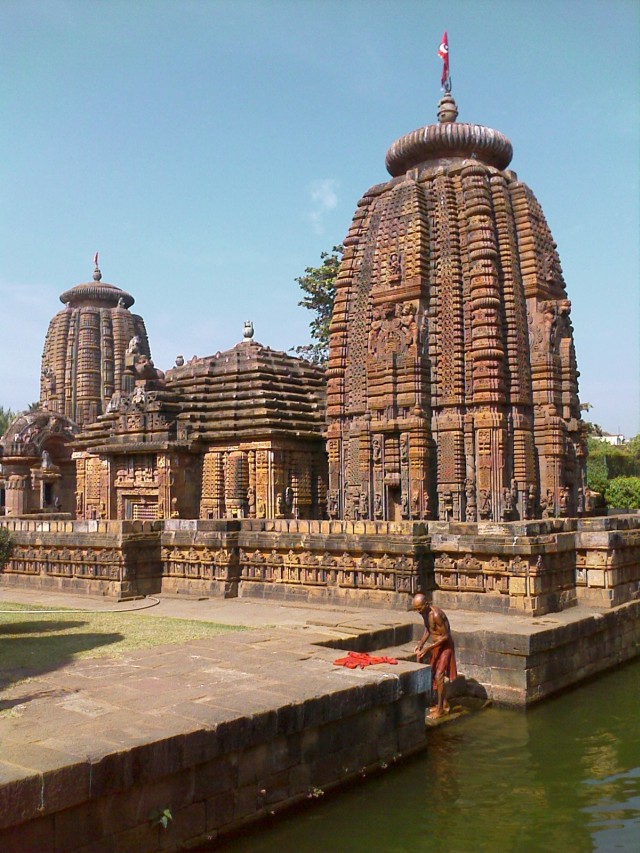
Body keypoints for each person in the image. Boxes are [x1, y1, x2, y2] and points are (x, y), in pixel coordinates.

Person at [411, 593, 457, 719]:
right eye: (416, 609)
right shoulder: (424, 614)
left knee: (439, 675)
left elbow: (446, 636)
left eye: (419, 608)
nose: (418, 612)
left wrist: (427, 648)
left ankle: (440, 710)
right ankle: (445, 704)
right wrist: (420, 644)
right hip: (436, 646)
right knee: (433, 675)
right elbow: (428, 629)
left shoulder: (436, 614)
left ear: (426, 604)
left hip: (445, 647)